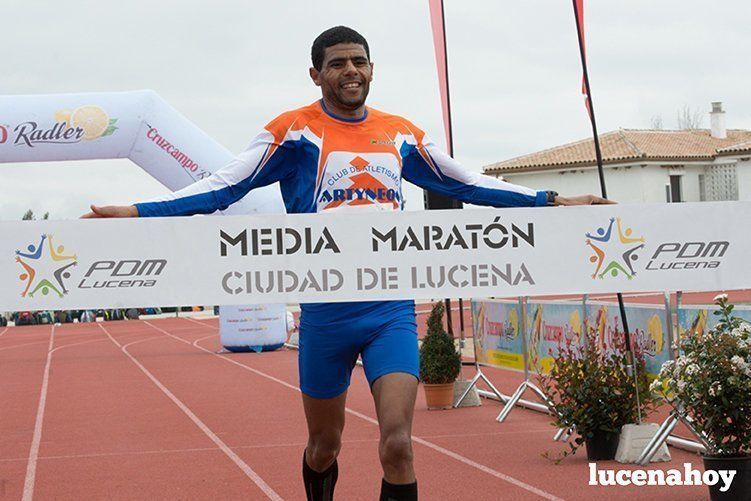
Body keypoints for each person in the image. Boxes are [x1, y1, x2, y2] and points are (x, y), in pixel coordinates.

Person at [83, 26, 612, 501]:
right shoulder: (293, 132)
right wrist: (135, 210)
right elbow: (224, 186)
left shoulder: (400, 133)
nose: (350, 71)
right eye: (337, 63)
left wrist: (551, 201)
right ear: (316, 74)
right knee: (323, 446)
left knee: (399, 445)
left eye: (358, 61)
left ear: (372, 68)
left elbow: (469, 183)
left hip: (389, 309)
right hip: (325, 315)